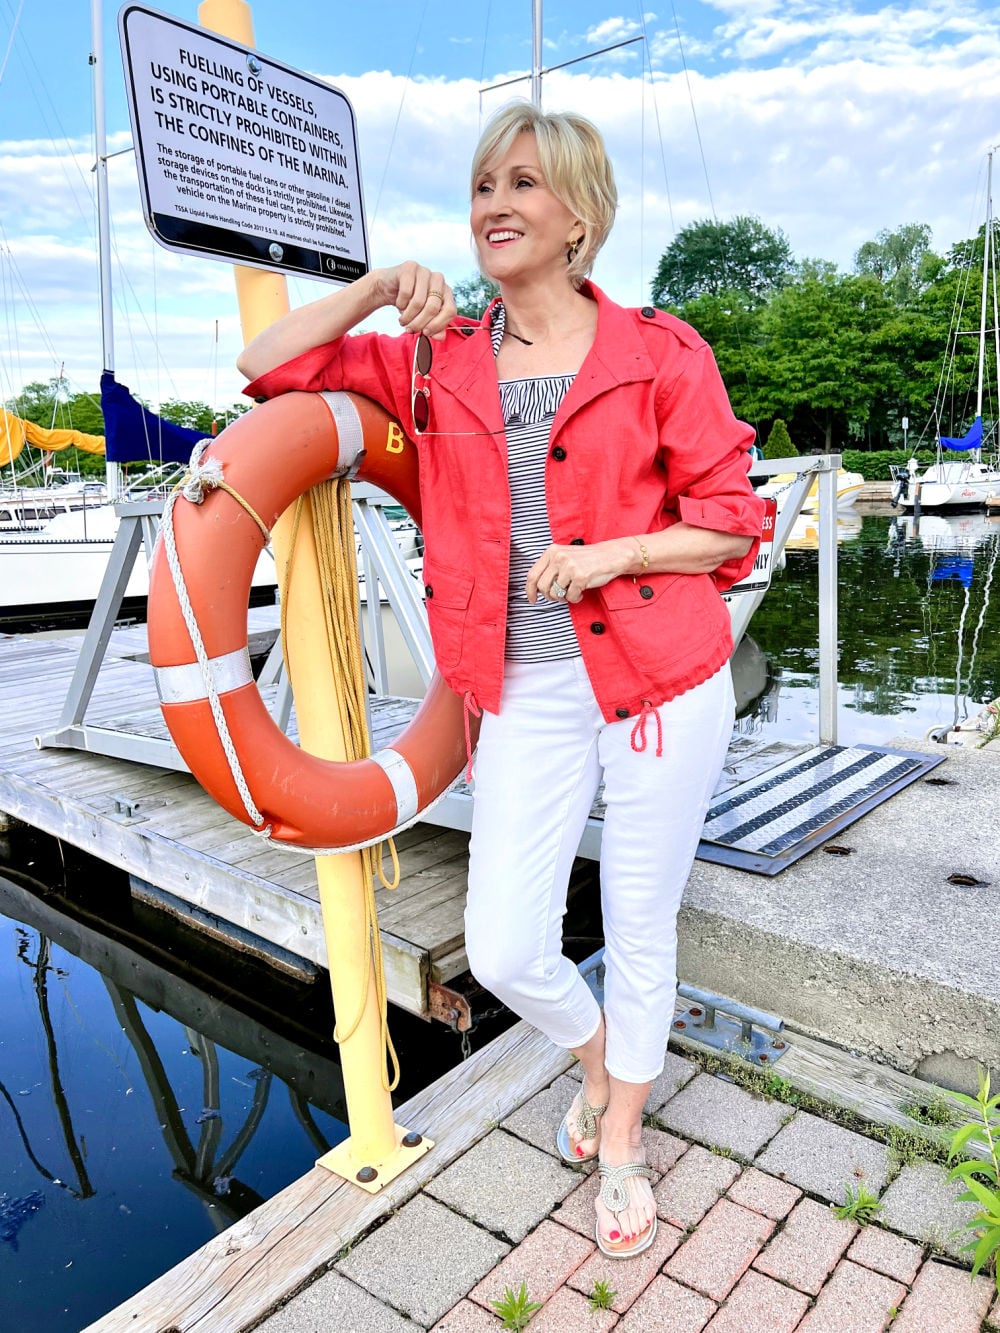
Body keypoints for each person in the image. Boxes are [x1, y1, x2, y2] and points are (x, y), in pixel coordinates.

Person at [239, 102, 764, 1259]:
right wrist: (379, 289)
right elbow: (262, 365)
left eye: (522, 184)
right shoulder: (437, 358)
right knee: (509, 940)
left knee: (637, 919)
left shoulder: (661, 351)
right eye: (482, 186)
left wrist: (613, 551)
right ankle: (596, 1058)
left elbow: (729, 527)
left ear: (578, 216)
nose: (494, 206)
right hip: (520, 687)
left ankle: (621, 1128)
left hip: (661, 676)